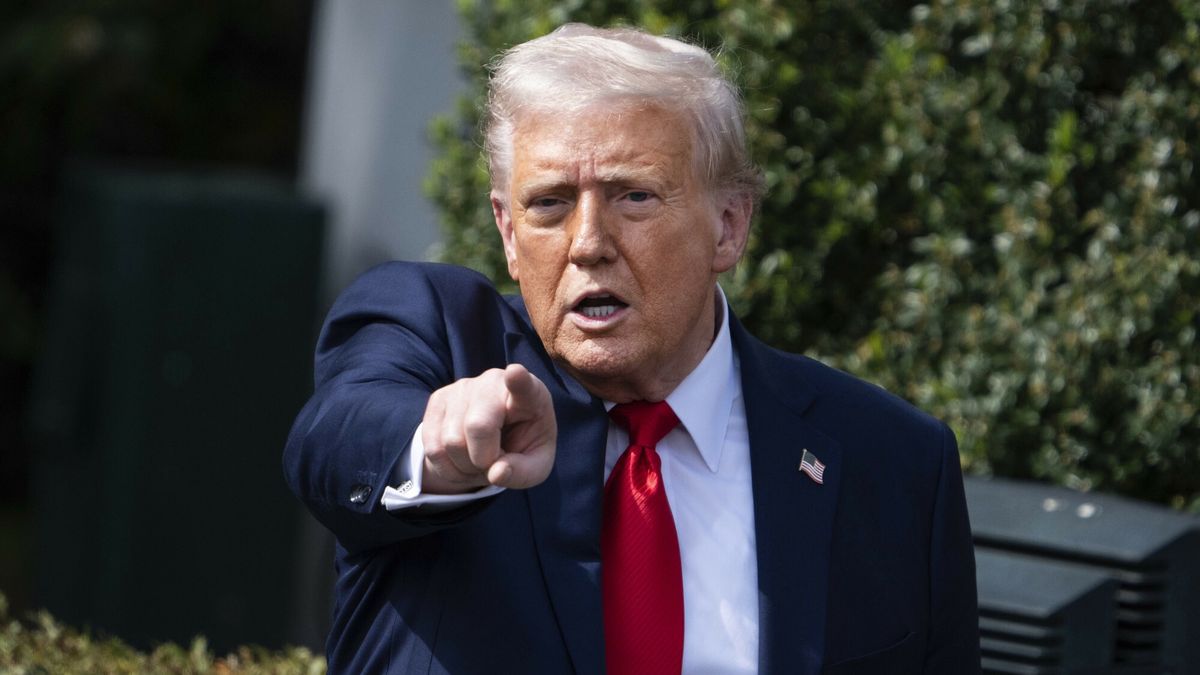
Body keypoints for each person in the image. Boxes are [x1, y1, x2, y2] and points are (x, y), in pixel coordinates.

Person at [284, 23, 980, 675]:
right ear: (506, 229)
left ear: (729, 226)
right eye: (550, 203)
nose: (588, 242)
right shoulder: (439, 338)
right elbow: (335, 436)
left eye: (634, 196)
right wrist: (438, 449)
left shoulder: (894, 463)